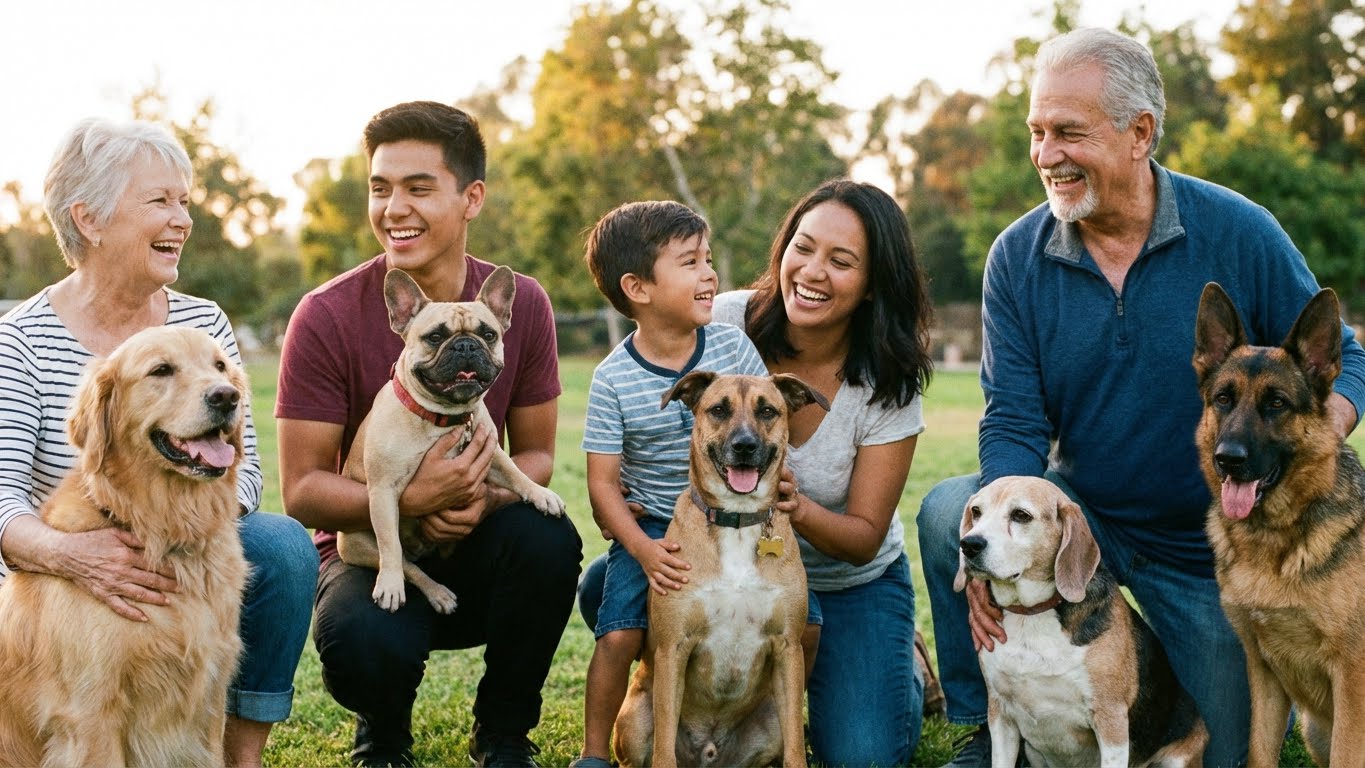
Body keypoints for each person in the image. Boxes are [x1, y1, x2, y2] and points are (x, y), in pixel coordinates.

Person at [916, 27, 1365, 768]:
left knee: (1216, 747)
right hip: (1080, 516)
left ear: (1139, 133)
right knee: (946, 512)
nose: (1045, 154)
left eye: (1067, 131)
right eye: (1035, 132)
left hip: (1204, 550)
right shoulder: (1015, 258)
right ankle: (986, 722)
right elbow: (1013, 418)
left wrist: (1318, 431)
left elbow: (1344, 356)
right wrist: (996, 539)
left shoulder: (1237, 229)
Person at [581, 178, 935, 766]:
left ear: (873, 284)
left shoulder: (888, 383)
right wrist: (633, 507)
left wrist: (794, 506)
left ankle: (901, 664)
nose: (813, 271)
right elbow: (647, 382)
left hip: (846, 584)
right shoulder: (716, 321)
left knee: (862, 755)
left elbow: (864, 536)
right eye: (804, 246)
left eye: (841, 261)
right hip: (712, 556)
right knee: (610, 587)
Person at [0, 118, 318, 768]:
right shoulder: (19, 341)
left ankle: (240, 757)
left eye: (185, 202)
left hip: (191, 540)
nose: (182, 219)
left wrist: (175, 531)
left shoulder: (204, 322)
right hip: (59, 565)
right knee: (90, 708)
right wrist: (74, 553)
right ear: (89, 219)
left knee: (281, 546)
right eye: (160, 201)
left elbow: (242, 468)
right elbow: (0, 496)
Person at [275, 100, 582, 768]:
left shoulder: (520, 303)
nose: (394, 208)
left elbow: (532, 454)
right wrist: (411, 503)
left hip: (476, 542)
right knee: (361, 640)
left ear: (471, 198)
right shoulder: (324, 314)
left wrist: (478, 500)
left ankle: (503, 732)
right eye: (380, 189)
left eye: (418, 188)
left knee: (549, 538)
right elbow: (300, 491)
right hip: (367, 547)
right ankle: (382, 734)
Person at [569, 200, 771, 768]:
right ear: (638, 287)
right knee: (620, 635)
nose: (709, 274)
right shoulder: (614, 378)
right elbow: (603, 485)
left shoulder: (732, 347)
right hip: (657, 525)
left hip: (742, 516)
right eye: (690, 262)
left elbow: (765, 422)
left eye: (708, 259)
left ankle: (775, 719)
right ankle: (592, 754)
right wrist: (642, 549)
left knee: (805, 623)